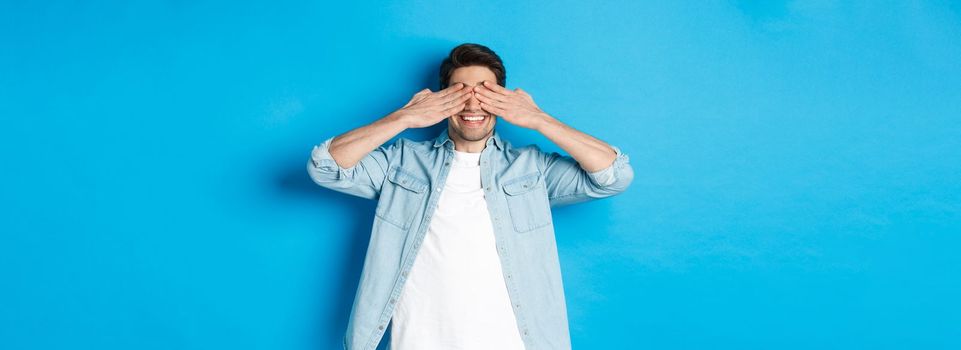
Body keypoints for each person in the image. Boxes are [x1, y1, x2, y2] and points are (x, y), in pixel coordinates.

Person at [307, 43, 634, 350]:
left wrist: (539, 120)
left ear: (503, 99)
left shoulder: (530, 169)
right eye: (460, 92)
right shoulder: (402, 162)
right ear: (441, 98)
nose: (473, 104)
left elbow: (613, 176)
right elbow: (325, 166)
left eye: (486, 93)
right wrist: (404, 118)